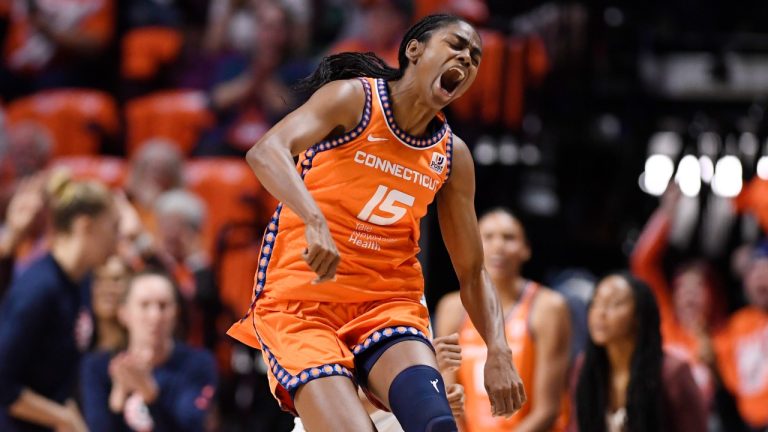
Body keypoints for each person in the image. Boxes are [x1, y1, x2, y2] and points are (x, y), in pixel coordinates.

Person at [227, 13, 526, 431]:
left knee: (436, 424)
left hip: (387, 304)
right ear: (414, 50)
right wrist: (314, 219)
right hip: (303, 304)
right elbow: (266, 151)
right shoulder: (353, 99)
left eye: (475, 57)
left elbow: (472, 271)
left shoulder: (452, 155)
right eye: (456, 45)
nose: (466, 58)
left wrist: (499, 350)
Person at [0, 174, 118, 431]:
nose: (116, 240)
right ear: (86, 226)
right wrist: (61, 418)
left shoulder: (82, 282)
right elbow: (3, 384)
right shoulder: (38, 289)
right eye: (113, 227)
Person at [436, 208, 571, 431]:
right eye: (488, 237)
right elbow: (449, 397)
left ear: (526, 249)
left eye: (509, 238)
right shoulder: (451, 308)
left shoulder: (548, 307)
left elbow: (548, 410)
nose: (498, 246)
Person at [80, 270, 218, 432]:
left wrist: (150, 395)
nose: (155, 316)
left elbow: (192, 426)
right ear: (124, 313)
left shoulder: (198, 363)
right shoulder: (99, 367)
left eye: (163, 306)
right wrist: (118, 397)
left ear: (176, 313)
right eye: (144, 305)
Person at [570, 272, 707, 432]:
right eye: (595, 303)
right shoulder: (584, 366)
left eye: (614, 304)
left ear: (639, 315)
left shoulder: (672, 372)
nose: (600, 313)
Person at [631, 185, 726, 405]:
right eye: (682, 288)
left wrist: (714, 368)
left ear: (713, 296)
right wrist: (666, 214)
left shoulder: (726, 339)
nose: (688, 294)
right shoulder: (664, 323)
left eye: (698, 288)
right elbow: (642, 263)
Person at [713, 241, 768, 431]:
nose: (760, 277)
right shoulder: (736, 324)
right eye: (753, 272)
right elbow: (731, 380)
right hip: (748, 423)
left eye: (765, 270)